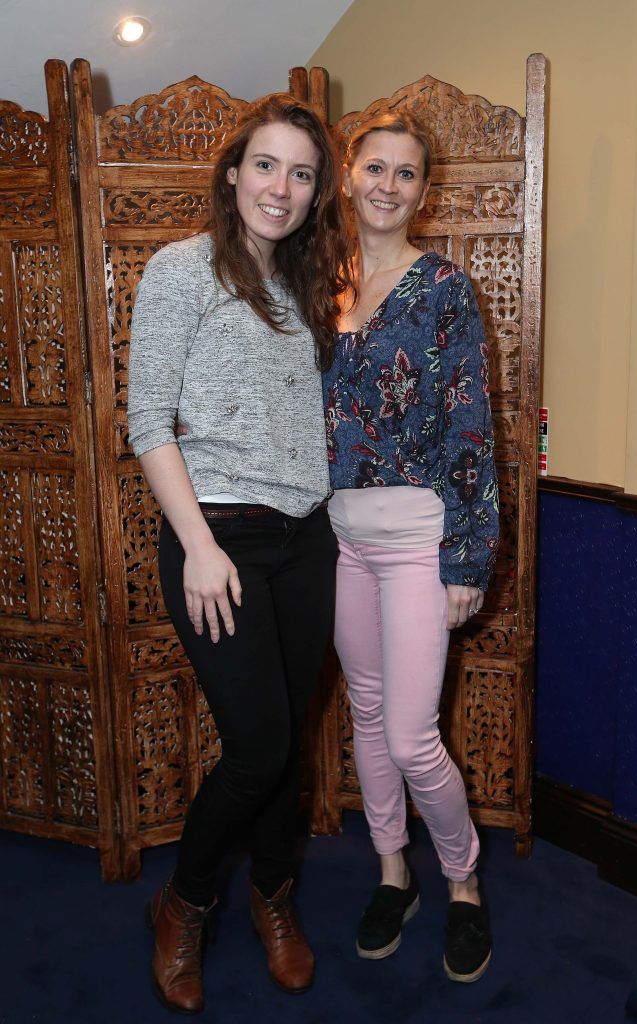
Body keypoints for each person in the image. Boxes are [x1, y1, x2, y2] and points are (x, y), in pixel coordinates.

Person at [127, 93, 350, 1014]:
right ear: (232, 172)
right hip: (218, 537)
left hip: (310, 539)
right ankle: (184, 903)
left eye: (301, 174)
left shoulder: (308, 285)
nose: (282, 187)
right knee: (256, 748)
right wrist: (198, 546)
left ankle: (273, 897)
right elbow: (147, 422)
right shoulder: (182, 270)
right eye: (267, 165)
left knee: (287, 745)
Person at [322, 110, 499, 983]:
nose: (388, 185)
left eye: (407, 173)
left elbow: (471, 426)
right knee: (364, 710)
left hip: (421, 539)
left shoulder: (445, 290)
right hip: (341, 536)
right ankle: (394, 871)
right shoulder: (323, 283)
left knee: (407, 736)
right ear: (348, 175)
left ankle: (463, 878)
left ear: (423, 192)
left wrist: (468, 559)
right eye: (375, 167)